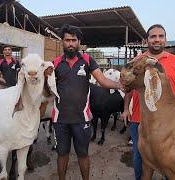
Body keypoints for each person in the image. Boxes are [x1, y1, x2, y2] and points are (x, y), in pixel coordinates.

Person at [121, 24, 175, 180]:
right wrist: (126, 109)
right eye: (153, 36)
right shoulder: (138, 60)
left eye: (160, 36)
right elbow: (128, 87)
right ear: (147, 40)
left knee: (171, 159)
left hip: (170, 122)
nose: (157, 40)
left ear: (165, 39)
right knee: (140, 158)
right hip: (140, 119)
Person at [53, 24, 121, 180]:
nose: (70, 43)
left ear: (79, 42)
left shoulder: (88, 60)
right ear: (62, 42)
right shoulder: (55, 63)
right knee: (62, 154)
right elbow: (46, 87)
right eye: (67, 40)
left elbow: (103, 80)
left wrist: (120, 85)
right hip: (60, 119)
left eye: (74, 40)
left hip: (81, 119)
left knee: (83, 154)